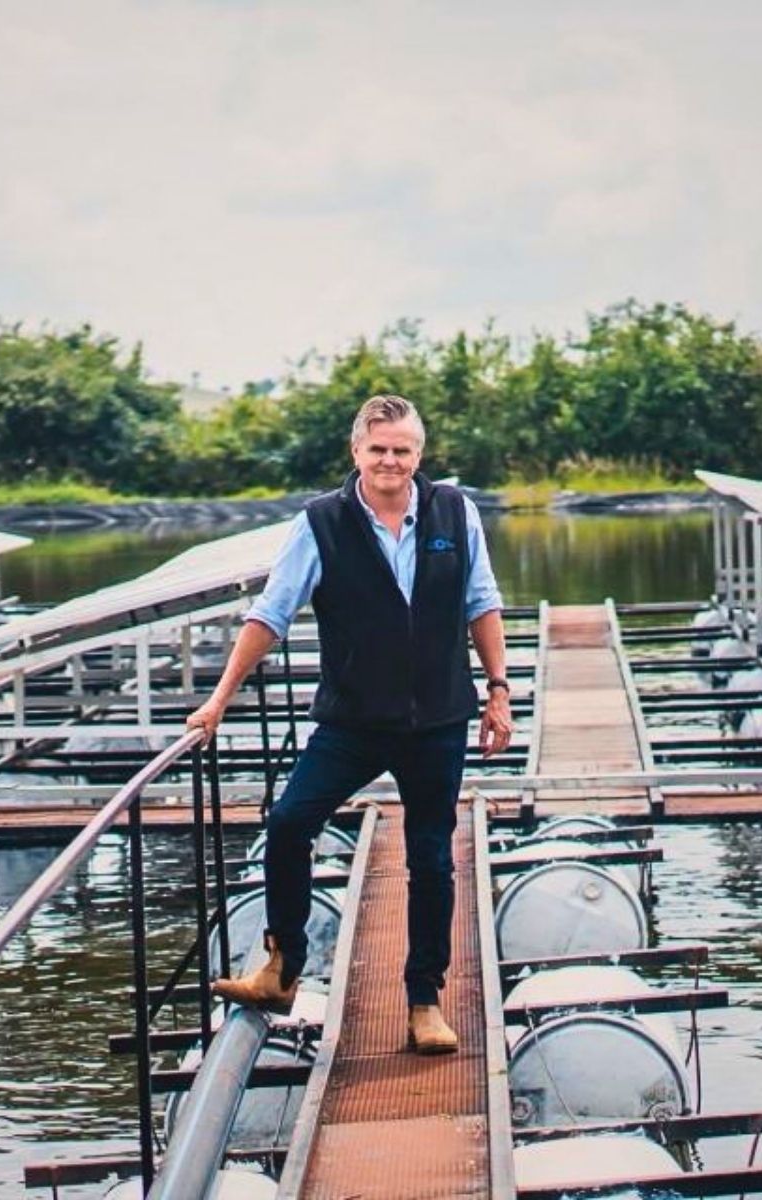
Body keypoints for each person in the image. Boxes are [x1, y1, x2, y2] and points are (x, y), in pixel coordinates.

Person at [186, 394, 510, 1054]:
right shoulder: (321, 523)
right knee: (289, 823)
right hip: (354, 718)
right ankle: (282, 967)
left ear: (419, 454)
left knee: (432, 859)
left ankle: (424, 1001)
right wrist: (217, 701)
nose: (391, 461)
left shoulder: (454, 511)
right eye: (379, 449)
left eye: (403, 450)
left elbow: (482, 602)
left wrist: (499, 691)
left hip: (438, 717)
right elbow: (270, 615)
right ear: (357, 451)